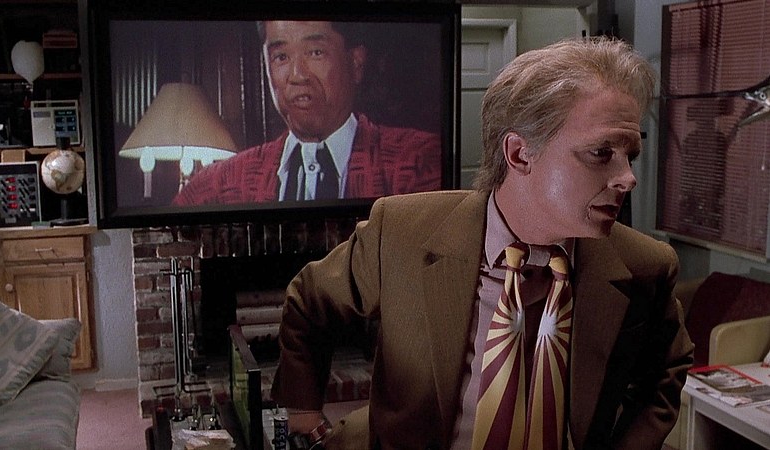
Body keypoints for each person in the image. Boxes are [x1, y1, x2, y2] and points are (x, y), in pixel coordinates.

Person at [270, 36, 694, 450]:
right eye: (601, 153)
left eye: (630, 155)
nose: (628, 178)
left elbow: (665, 372)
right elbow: (311, 300)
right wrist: (303, 411)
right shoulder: (400, 232)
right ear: (519, 154)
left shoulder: (645, 265)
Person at [172, 20, 441, 206]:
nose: (297, 75)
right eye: (281, 57)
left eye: (315, 52)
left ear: (356, 63)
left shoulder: (419, 161)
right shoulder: (221, 184)